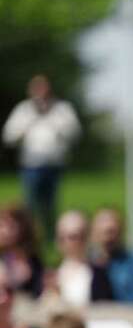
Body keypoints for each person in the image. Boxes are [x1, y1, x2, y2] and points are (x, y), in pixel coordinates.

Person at [2, 75, 80, 239]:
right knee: (30, 205)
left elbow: (75, 133)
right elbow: (8, 136)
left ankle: (51, 237)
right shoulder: (24, 110)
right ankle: (28, 236)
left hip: (54, 165)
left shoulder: (62, 109)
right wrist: (25, 126)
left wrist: (58, 126)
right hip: (31, 165)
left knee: (50, 205)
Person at [0, 203, 45, 296]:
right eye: (1, 225)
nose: (3, 230)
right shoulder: (3, 259)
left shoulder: (33, 262)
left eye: (9, 225)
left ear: (23, 228)